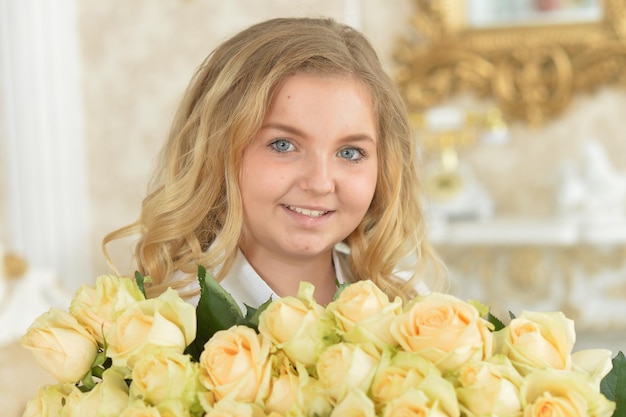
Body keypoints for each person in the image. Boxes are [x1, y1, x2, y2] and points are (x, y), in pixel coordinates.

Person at [103, 17, 446, 310]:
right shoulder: (167, 318)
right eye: (283, 145)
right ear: (216, 153)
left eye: (350, 153)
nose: (320, 182)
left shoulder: (406, 306)